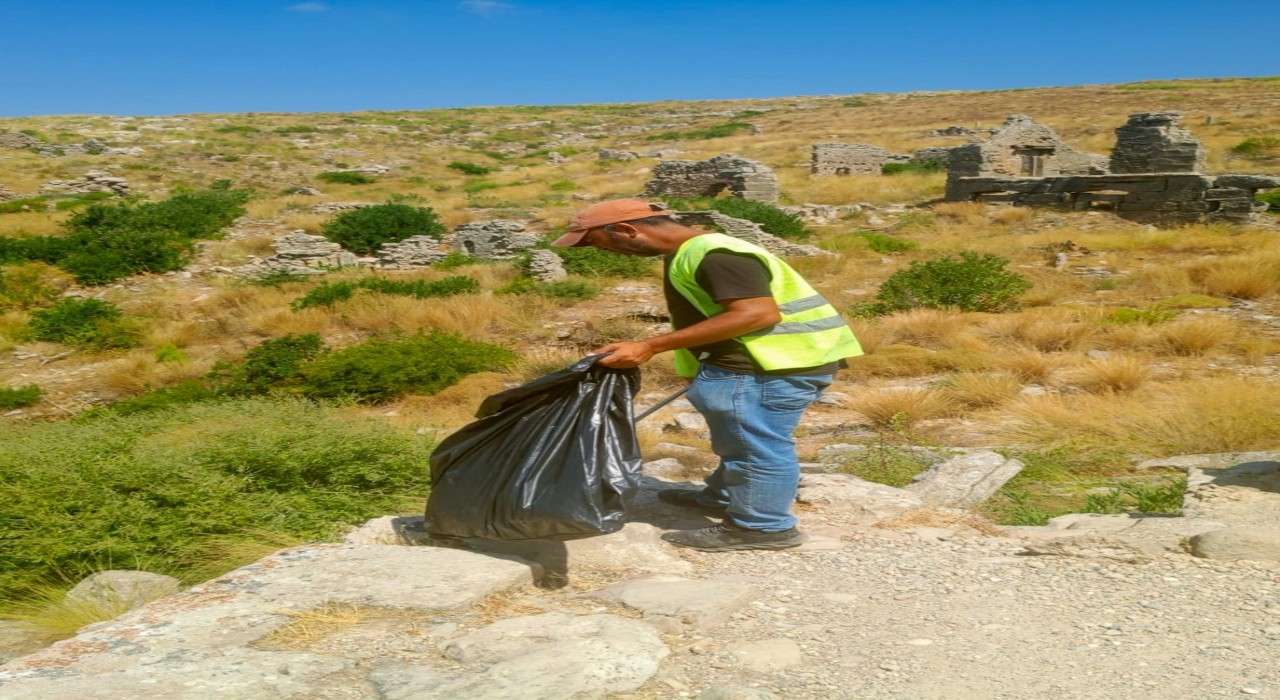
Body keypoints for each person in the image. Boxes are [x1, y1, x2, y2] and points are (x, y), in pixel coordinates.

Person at [551, 199, 863, 551]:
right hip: (759, 364)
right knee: (738, 439)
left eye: (595, 241)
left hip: (767, 367)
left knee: (756, 446)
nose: (601, 251)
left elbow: (757, 315)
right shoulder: (691, 252)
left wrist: (650, 345)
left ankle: (762, 526)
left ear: (626, 230)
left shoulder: (715, 255)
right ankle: (724, 495)